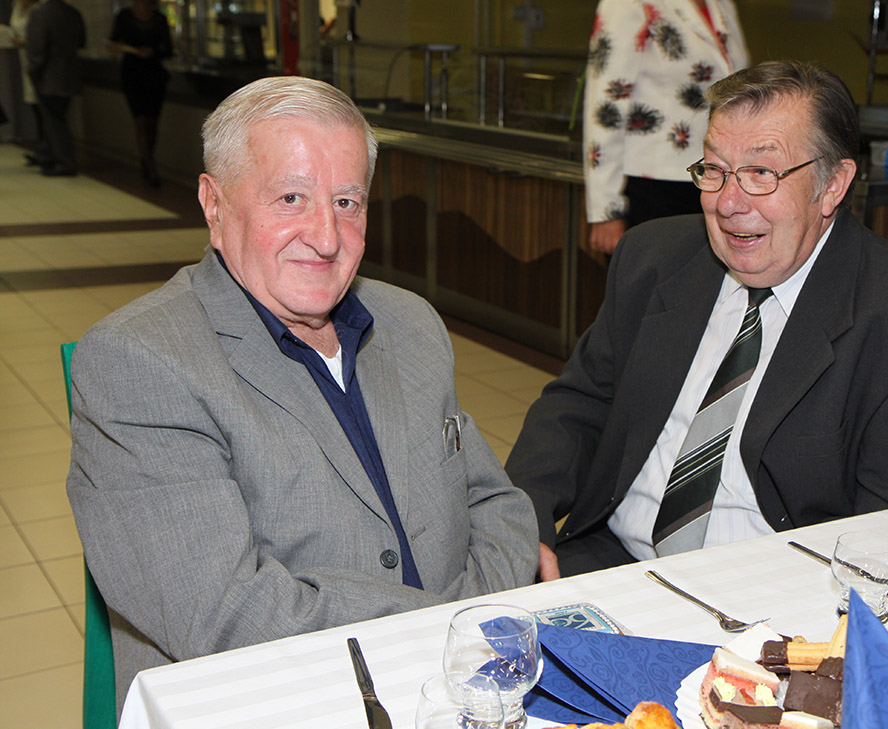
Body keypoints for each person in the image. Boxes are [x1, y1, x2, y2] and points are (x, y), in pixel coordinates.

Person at [66, 76, 538, 714]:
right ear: (214, 203)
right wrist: (449, 627)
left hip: (460, 688)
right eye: (291, 198)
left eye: (347, 201)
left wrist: (467, 644)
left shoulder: (412, 323)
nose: (326, 236)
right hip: (272, 703)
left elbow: (499, 507)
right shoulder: (141, 360)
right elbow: (226, 616)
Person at [507, 60, 888, 579]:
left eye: (762, 173)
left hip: (782, 593)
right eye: (714, 170)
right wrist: (518, 524)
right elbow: (580, 404)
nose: (728, 203)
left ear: (833, 184)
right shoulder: (653, 258)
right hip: (611, 559)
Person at [583, 0, 748, 254]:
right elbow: (606, 104)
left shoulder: (721, 4)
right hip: (651, 185)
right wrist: (606, 210)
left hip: (714, 178)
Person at [109, 0, 173, 186]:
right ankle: (149, 164)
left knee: (152, 121)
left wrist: (153, 52)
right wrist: (131, 50)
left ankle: (147, 158)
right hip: (132, 74)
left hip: (154, 75)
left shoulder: (159, 19)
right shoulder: (124, 17)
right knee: (141, 120)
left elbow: (168, 49)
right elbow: (113, 42)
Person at [24, 0, 85, 176]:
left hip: (48, 74)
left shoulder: (39, 14)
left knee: (53, 120)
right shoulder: (73, 13)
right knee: (57, 116)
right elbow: (81, 41)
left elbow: (36, 47)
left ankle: (64, 161)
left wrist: (33, 70)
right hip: (70, 72)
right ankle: (46, 153)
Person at [7, 0, 50, 165]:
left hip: (40, 63)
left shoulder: (40, 9)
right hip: (25, 60)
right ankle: (42, 150)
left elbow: (44, 38)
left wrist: (26, 42)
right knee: (34, 106)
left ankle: (49, 152)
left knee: (44, 109)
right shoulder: (16, 7)